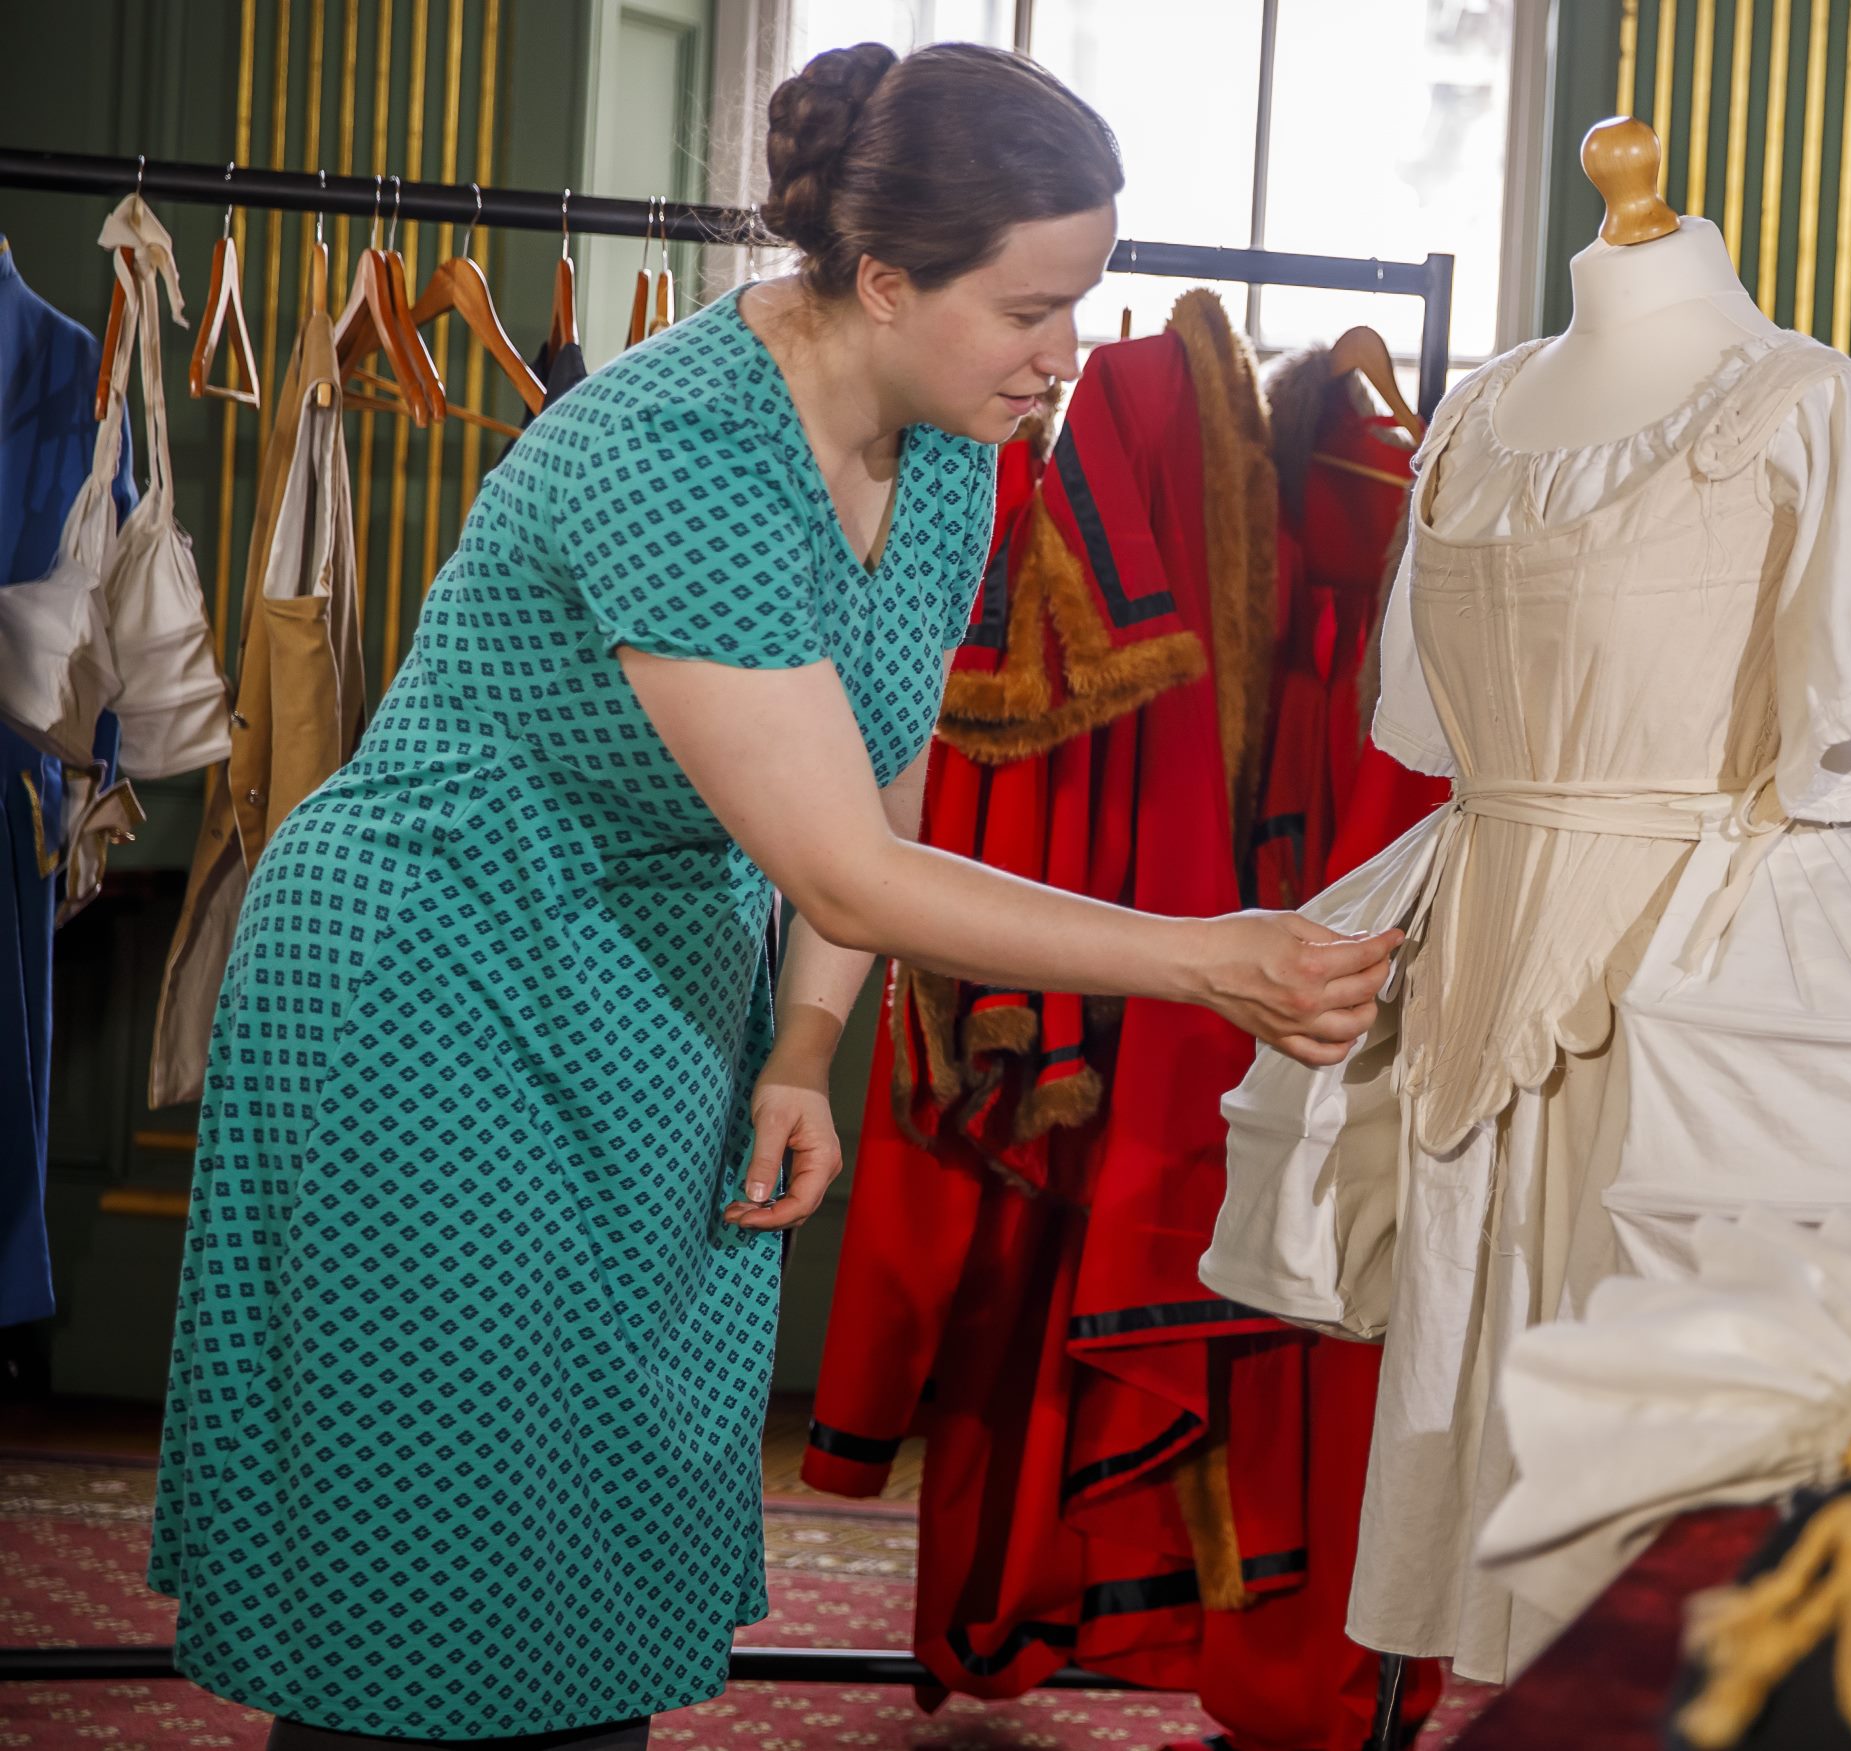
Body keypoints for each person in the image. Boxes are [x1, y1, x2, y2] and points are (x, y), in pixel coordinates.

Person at [143, 40, 1399, 1751]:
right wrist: (1209, 959)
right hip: (432, 974)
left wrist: (803, 1047)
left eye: (1081, 302)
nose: (1067, 353)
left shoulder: (947, 442)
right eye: (1031, 308)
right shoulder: (680, 451)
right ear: (883, 280)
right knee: (447, 1532)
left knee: (599, 1508)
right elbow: (847, 870)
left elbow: (878, 769)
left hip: (650, 980)